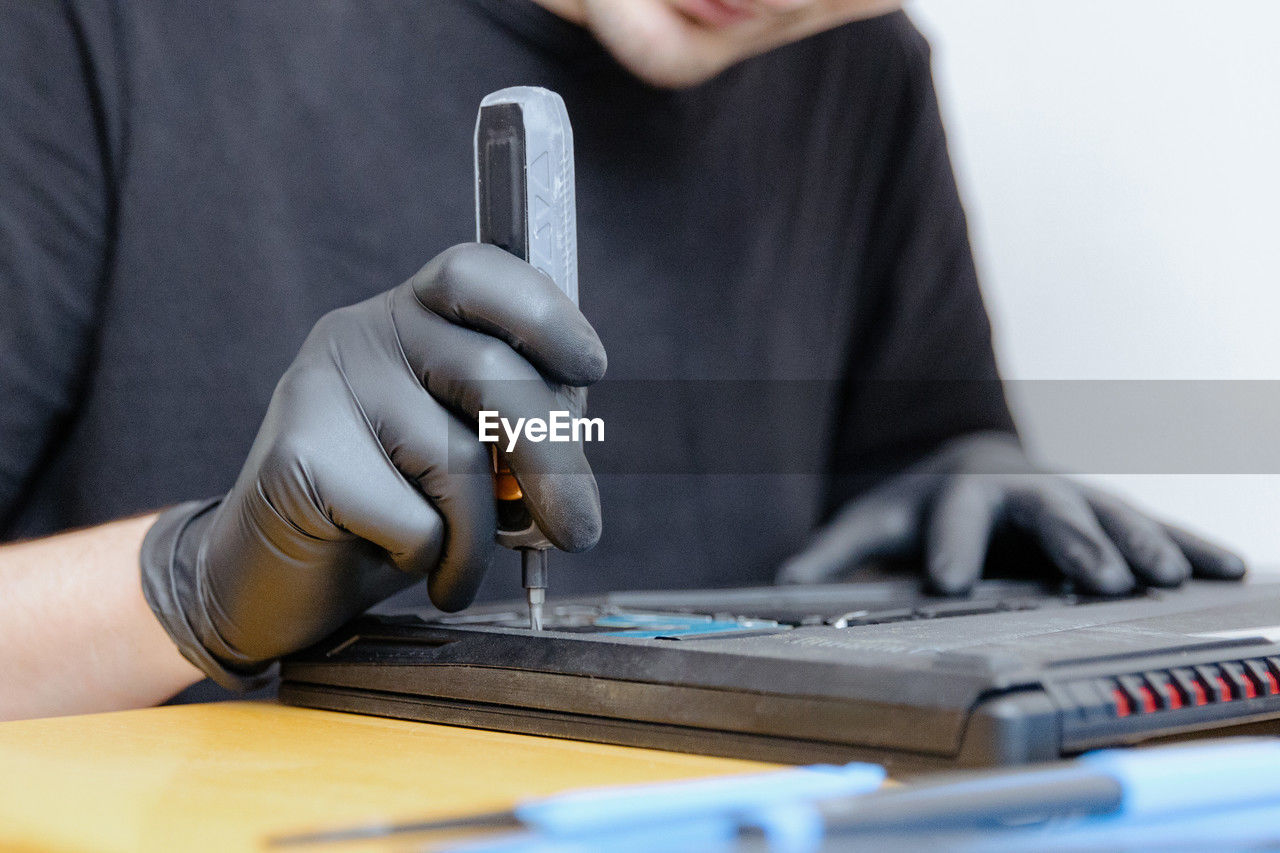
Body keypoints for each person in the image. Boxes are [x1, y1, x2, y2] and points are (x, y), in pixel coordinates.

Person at [0, 0, 1244, 721]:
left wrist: (952, 482)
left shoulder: (855, 75)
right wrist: (186, 587)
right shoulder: (93, 31)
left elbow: (900, 471)